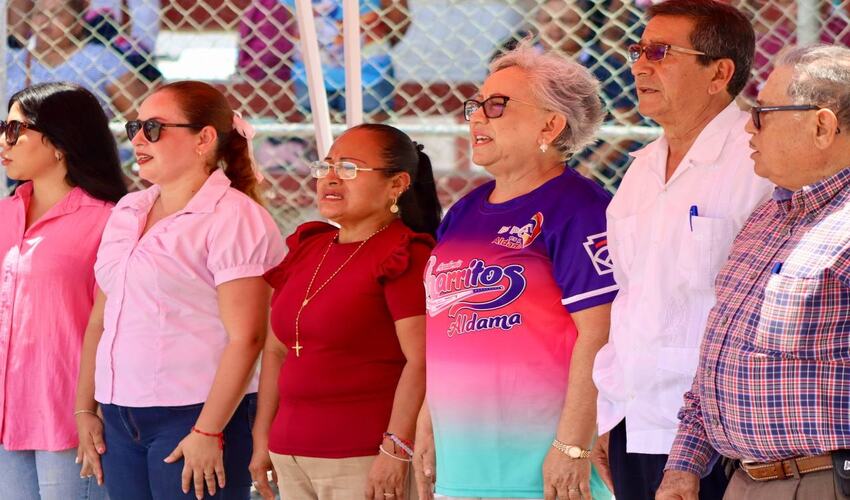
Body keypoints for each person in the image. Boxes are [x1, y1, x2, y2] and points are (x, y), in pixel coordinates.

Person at [414, 40, 617, 500]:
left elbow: (600, 334)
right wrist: (427, 421)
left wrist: (572, 447)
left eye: (497, 105)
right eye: (475, 106)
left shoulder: (579, 207)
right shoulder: (463, 212)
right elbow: (449, 328)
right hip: (460, 466)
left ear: (551, 123)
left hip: (541, 471)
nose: (477, 117)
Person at [591, 1, 774, 499]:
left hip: (720, 433)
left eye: (660, 52)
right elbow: (628, 301)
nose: (639, 65)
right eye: (637, 50)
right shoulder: (640, 169)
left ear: (719, 73)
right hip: (634, 422)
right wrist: (610, 413)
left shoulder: (761, 161)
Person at [656, 44, 850, 500]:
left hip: (825, 482)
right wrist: (685, 465)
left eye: (763, 112)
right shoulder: (768, 215)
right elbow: (716, 359)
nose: (749, 125)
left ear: (822, 126)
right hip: (744, 479)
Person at [74, 80, 285, 500]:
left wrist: (208, 429)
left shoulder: (235, 217)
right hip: (118, 414)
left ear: (204, 138)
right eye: (135, 125)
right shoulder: (128, 210)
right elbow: (101, 318)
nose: (136, 138)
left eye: (153, 128)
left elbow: (249, 337)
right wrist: (86, 409)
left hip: (195, 415)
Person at [248, 123, 440, 500]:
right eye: (326, 167)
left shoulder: (406, 253)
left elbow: (421, 361)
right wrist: (262, 438)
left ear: (397, 184)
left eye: (349, 168)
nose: (331, 178)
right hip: (288, 454)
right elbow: (276, 350)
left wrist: (396, 447)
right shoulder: (308, 245)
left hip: (365, 457)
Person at [0, 82, 124, 500]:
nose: (4, 140)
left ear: (59, 142)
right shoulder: (4, 214)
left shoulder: (110, 221)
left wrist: (90, 409)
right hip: (5, 419)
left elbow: (111, 325)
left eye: (15, 130)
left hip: (72, 420)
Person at [6, 0, 156, 118]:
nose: (46, 20)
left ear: (77, 25)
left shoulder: (100, 58)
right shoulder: (11, 60)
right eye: (39, 13)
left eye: (57, 13)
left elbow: (140, 116)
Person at [281, 0, 410, 116]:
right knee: (318, 135)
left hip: (369, 72)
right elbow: (290, 20)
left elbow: (398, 22)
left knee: (369, 136)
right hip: (311, 72)